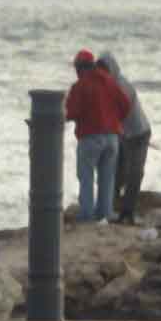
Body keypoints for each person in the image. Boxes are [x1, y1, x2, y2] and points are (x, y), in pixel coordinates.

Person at [65, 49, 132, 223]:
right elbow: (125, 104)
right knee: (107, 177)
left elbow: (71, 112)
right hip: (112, 137)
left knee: (86, 176)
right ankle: (105, 213)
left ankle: (87, 216)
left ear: (79, 68)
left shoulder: (80, 86)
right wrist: (115, 121)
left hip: (90, 137)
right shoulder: (110, 81)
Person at [98, 50, 152, 224]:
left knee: (134, 173)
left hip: (139, 134)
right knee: (116, 172)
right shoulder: (107, 85)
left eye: (105, 70)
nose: (102, 74)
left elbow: (120, 112)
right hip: (123, 135)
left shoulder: (121, 86)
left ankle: (128, 212)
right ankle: (110, 209)